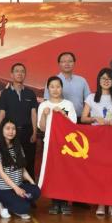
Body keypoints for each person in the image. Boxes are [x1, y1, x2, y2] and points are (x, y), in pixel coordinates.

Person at [81, 68, 112, 218]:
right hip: (97, 139)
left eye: (109, 79)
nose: (106, 81)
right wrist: (95, 118)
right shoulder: (91, 97)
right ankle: (101, 203)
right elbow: (83, 118)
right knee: (99, 171)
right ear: (99, 80)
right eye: (103, 78)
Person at [38, 76, 77, 215]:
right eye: (52, 87)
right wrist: (44, 115)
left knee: (65, 172)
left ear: (62, 88)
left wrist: (62, 114)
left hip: (66, 145)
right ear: (48, 89)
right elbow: (42, 128)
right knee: (53, 172)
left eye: (58, 86)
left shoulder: (68, 104)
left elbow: (73, 125)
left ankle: (65, 202)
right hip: (50, 144)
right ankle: (55, 202)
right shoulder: (43, 105)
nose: (55, 89)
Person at [0, 118, 40, 220]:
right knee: (24, 208)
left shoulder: (18, 146)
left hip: (19, 185)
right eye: (7, 128)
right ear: (2, 130)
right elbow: (1, 173)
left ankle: (15, 202)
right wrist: (16, 189)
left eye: (13, 129)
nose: (11, 131)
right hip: (4, 189)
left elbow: (22, 169)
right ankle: (3, 204)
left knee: (36, 191)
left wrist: (32, 182)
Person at [0, 63, 38, 179]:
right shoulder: (5, 93)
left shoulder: (30, 93)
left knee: (29, 161)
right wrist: (1, 133)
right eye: (17, 71)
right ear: (12, 74)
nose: (20, 73)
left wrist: (35, 132)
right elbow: (2, 114)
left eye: (22, 71)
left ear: (25, 74)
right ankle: (13, 187)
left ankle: (30, 187)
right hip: (11, 133)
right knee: (12, 162)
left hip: (28, 132)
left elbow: (33, 114)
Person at [43, 52, 90, 120]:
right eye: (64, 61)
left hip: (80, 119)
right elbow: (47, 101)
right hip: (60, 119)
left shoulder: (82, 80)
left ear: (74, 63)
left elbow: (88, 101)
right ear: (59, 64)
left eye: (70, 61)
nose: (67, 64)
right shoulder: (52, 81)